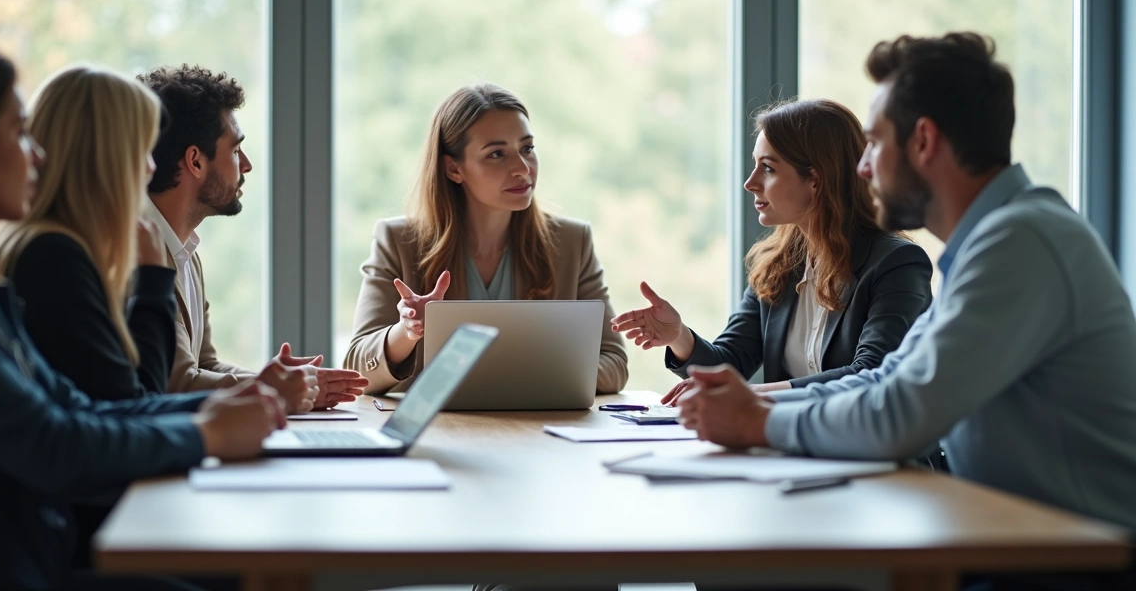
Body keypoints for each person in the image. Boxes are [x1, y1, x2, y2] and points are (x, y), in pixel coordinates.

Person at [676, 32, 1136, 590]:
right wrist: (752, 408)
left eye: (873, 144)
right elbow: (887, 379)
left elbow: (899, 415)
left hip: (1071, 570)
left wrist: (758, 419)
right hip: (1008, 546)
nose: (863, 168)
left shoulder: (1022, 241)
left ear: (923, 141)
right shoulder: (993, 243)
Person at [0, 41, 289, 590]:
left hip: (31, 551)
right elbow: (58, 441)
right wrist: (207, 432)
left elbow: (78, 407)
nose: (37, 154)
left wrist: (222, 404)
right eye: (18, 132)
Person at [612, 99, 932, 403]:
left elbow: (871, 374)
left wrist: (752, 394)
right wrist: (679, 336)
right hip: (796, 451)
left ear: (816, 180)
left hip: (883, 457)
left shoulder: (897, 263)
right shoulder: (778, 264)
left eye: (768, 168)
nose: (750, 182)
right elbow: (731, 364)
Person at [347, 83, 628, 395]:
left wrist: (526, 373)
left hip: (536, 436)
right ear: (454, 168)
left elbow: (615, 363)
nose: (522, 169)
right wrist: (407, 331)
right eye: (497, 154)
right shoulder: (398, 241)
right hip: (437, 437)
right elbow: (358, 371)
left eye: (527, 149)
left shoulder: (572, 242)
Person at [138, 64, 367, 409]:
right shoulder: (140, 250)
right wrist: (273, 389)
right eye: (234, 150)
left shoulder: (185, 251)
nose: (246, 164)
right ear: (195, 162)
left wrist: (286, 383)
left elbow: (206, 365)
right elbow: (179, 383)